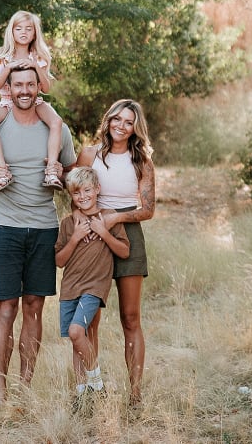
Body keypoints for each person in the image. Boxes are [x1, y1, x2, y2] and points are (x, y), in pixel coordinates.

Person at [0, 61, 77, 404]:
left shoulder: (58, 129)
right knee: (5, 309)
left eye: (30, 84)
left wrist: (62, 176)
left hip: (44, 228)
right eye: (18, 85)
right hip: (6, 229)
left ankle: (25, 388)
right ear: (7, 89)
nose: (24, 90)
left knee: (34, 308)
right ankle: (0, 392)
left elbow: (74, 179)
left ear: (39, 86)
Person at [75, 99, 155, 406]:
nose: (121, 126)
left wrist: (116, 217)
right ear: (108, 120)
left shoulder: (142, 162)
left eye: (129, 121)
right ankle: (89, 391)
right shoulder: (89, 154)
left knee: (131, 317)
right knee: (89, 318)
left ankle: (135, 394)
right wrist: (89, 225)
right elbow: (76, 196)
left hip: (128, 234)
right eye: (117, 119)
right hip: (93, 234)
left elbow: (147, 209)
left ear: (136, 127)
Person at [54, 166, 130, 411]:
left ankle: (97, 385)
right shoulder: (68, 224)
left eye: (87, 190)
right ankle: (81, 392)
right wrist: (75, 237)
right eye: (77, 193)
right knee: (76, 341)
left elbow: (124, 251)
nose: (83, 196)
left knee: (77, 332)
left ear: (97, 189)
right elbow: (59, 261)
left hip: (94, 287)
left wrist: (104, 232)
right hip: (70, 287)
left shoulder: (108, 218)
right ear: (71, 196)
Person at [0, 10, 64, 191]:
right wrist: (8, 68)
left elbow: (46, 88)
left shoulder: (38, 56)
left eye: (29, 29)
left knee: (57, 121)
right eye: (18, 28)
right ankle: (2, 170)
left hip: (33, 100)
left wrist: (35, 65)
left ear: (35, 33)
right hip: (7, 100)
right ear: (11, 31)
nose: (24, 32)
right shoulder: (2, 56)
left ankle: (51, 170)